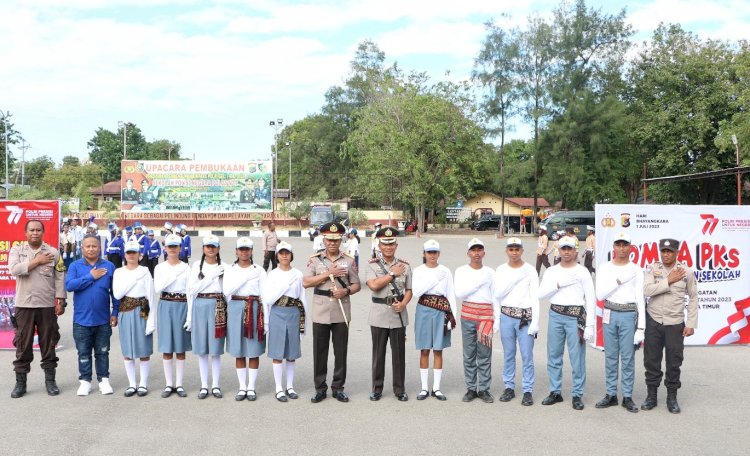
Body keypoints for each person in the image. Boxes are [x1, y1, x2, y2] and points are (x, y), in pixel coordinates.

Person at [303, 222, 361, 403]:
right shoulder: (314, 260)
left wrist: (346, 291)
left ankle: (338, 387)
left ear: (341, 240)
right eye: (329, 239)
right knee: (320, 352)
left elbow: (357, 284)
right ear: (324, 240)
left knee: (340, 351)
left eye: (336, 240)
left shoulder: (349, 260)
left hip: (341, 309)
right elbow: (306, 282)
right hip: (320, 310)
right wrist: (328, 273)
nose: (332, 243)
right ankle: (320, 388)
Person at [9, 220, 67, 398]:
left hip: (47, 306)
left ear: (43, 232)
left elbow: (59, 277)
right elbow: (14, 269)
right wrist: (37, 261)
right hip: (24, 305)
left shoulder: (53, 252)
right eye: (31, 230)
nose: (35, 232)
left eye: (38, 230)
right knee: (23, 344)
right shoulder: (17, 250)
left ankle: (50, 382)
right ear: (25, 233)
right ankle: (20, 384)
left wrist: (61, 301)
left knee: (48, 343)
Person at [538, 235, 596, 410]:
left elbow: (591, 298)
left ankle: (577, 394)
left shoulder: (582, 271)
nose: (566, 252)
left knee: (577, 358)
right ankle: (555, 391)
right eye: (563, 248)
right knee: (554, 356)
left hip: (575, 316)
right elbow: (540, 295)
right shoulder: (551, 271)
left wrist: (590, 325)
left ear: (576, 251)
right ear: (559, 250)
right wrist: (557, 285)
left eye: (570, 248)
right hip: (556, 314)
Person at [642, 238, 698, 414]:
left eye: (670, 251)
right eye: (663, 251)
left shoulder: (686, 272)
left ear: (676, 253)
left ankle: (671, 397)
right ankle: (651, 396)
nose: (666, 254)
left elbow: (694, 297)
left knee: (674, 361)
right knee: (651, 360)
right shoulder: (652, 268)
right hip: (654, 320)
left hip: (675, 323)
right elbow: (647, 290)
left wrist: (691, 323)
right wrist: (669, 281)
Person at [594, 231, 645, 413]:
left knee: (628, 357)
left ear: (630, 248)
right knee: (610, 356)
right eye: (618, 245)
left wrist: (641, 327)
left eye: (625, 245)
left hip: (628, 314)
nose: (621, 248)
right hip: (610, 312)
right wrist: (618, 281)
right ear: (614, 247)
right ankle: (610, 394)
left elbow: (640, 298)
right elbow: (600, 294)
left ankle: (627, 396)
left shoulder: (636, 269)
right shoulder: (605, 268)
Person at [65, 234, 119, 396]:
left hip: (103, 319)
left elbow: (115, 292)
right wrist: (90, 276)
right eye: (87, 246)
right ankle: (85, 381)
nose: (91, 249)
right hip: (81, 320)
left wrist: (115, 312)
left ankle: (104, 380)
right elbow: (69, 285)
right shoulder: (75, 266)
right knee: (84, 352)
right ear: (82, 248)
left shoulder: (109, 266)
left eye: (94, 246)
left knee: (102, 351)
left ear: (100, 248)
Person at [365, 226, 412, 401]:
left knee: (399, 355)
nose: (388, 247)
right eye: (385, 244)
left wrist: (404, 304)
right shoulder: (372, 265)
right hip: (378, 314)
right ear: (379, 245)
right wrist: (392, 274)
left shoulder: (405, 266)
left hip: (398, 314)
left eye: (391, 244)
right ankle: (377, 388)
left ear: (396, 245)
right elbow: (374, 285)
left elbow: (409, 290)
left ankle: (400, 389)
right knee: (378, 355)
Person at [493, 237, 540, 406]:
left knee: (527, 355)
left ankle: (527, 389)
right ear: (506, 251)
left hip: (524, 318)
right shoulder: (500, 270)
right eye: (511, 249)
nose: (514, 252)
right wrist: (496, 319)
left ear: (522, 251)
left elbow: (535, 297)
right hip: (506, 315)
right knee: (508, 354)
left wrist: (535, 322)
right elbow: (496, 296)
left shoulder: (530, 270)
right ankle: (509, 386)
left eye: (517, 249)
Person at [262, 242, 308, 402]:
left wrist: (304, 325)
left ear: (291, 255)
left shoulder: (299, 274)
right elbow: (268, 299)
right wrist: (266, 322)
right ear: (277, 256)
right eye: (281, 253)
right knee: (277, 352)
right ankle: (278, 388)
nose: (284, 256)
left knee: (291, 353)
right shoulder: (272, 274)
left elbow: (302, 298)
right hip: (277, 312)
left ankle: (290, 386)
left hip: (294, 313)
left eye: (287, 253)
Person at [411, 239, 457, 401]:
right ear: (424, 254)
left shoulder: (445, 270)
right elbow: (417, 292)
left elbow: (450, 293)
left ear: (439, 254)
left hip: (442, 310)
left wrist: (453, 317)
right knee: (424, 349)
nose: (432, 255)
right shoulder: (418, 271)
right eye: (429, 252)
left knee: (438, 349)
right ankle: (424, 388)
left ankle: (436, 388)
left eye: (435, 252)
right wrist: (434, 279)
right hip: (424, 309)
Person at [223, 237, 267, 401]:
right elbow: (226, 291)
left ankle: (251, 387)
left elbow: (264, 294)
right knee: (239, 349)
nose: (244, 252)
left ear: (252, 251)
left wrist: (265, 319)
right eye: (241, 249)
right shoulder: (231, 269)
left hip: (254, 307)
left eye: (247, 249)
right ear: (236, 251)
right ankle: (242, 387)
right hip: (236, 306)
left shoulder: (259, 270)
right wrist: (245, 278)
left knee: (253, 349)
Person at [187, 235, 229, 399]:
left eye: (213, 246)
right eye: (207, 246)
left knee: (216, 349)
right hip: (200, 305)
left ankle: (216, 385)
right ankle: (204, 385)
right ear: (203, 248)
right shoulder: (197, 266)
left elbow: (227, 290)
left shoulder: (224, 266)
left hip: (217, 306)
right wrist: (211, 277)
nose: (210, 249)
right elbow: (192, 290)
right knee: (202, 349)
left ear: (218, 248)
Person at [454, 238, 496, 403]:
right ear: (468, 253)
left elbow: (495, 297)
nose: (476, 253)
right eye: (473, 250)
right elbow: (460, 293)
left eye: (479, 250)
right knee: (469, 354)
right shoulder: (461, 271)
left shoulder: (491, 272)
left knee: (485, 355)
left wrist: (496, 318)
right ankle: (471, 388)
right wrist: (478, 284)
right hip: (468, 316)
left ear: (484, 253)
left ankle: (484, 389)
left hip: (486, 317)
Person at [113, 240, 155, 397]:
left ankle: (143, 383)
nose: (131, 255)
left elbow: (150, 296)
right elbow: (117, 294)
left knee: (144, 348)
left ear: (140, 255)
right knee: (127, 349)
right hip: (125, 310)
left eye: (134, 252)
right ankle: (132, 384)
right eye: (129, 252)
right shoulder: (119, 272)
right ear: (124, 255)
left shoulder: (145, 271)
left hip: (142, 308)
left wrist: (151, 321)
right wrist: (133, 279)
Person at [154, 233, 192, 398]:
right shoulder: (160, 268)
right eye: (170, 246)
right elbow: (158, 288)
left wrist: (190, 315)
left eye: (176, 246)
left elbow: (189, 292)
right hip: (166, 303)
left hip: (182, 304)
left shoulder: (187, 268)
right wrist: (174, 274)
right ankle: (169, 384)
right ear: (165, 248)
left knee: (181, 346)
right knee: (167, 346)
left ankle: (179, 384)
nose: (173, 249)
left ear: (180, 248)